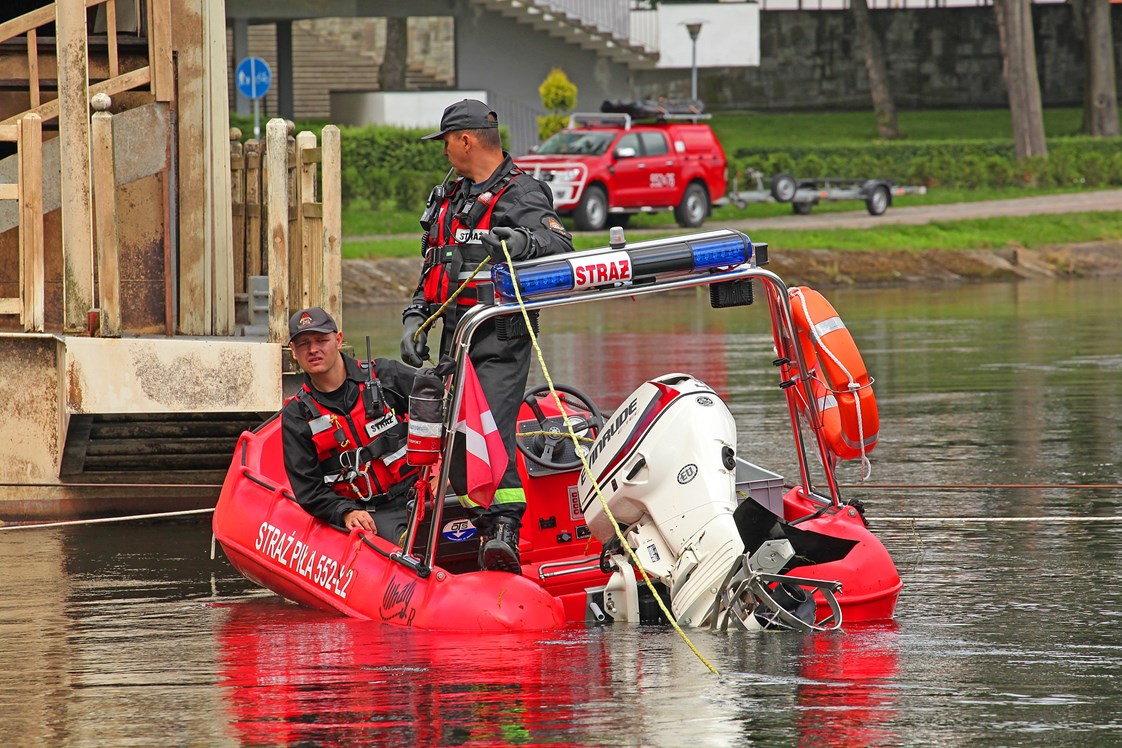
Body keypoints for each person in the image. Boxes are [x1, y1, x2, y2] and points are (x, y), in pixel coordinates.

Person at [400, 99, 574, 573]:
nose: (443, 152)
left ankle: (503, 532)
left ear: (466, 140)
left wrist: (522, 242)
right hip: (454, 336)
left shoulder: (522, 193)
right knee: (454, 441)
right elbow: (435, 263)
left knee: (489, 432)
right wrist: (415, 316)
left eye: (446, 142)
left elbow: (559, 243)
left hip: (500, 336)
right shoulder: (451, 196)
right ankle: (482, 531)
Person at [282, 307, 421, 542]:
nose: (313, 349)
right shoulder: (297, 415)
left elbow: (442, 412)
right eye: (304, 344)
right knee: (408, 546)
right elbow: (309, 490)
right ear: (294, 352)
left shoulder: (385, 375)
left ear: (338, 340)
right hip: (373, 511)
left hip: (421, 490)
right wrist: (345, 512)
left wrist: (442, 473)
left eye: (321, 340)